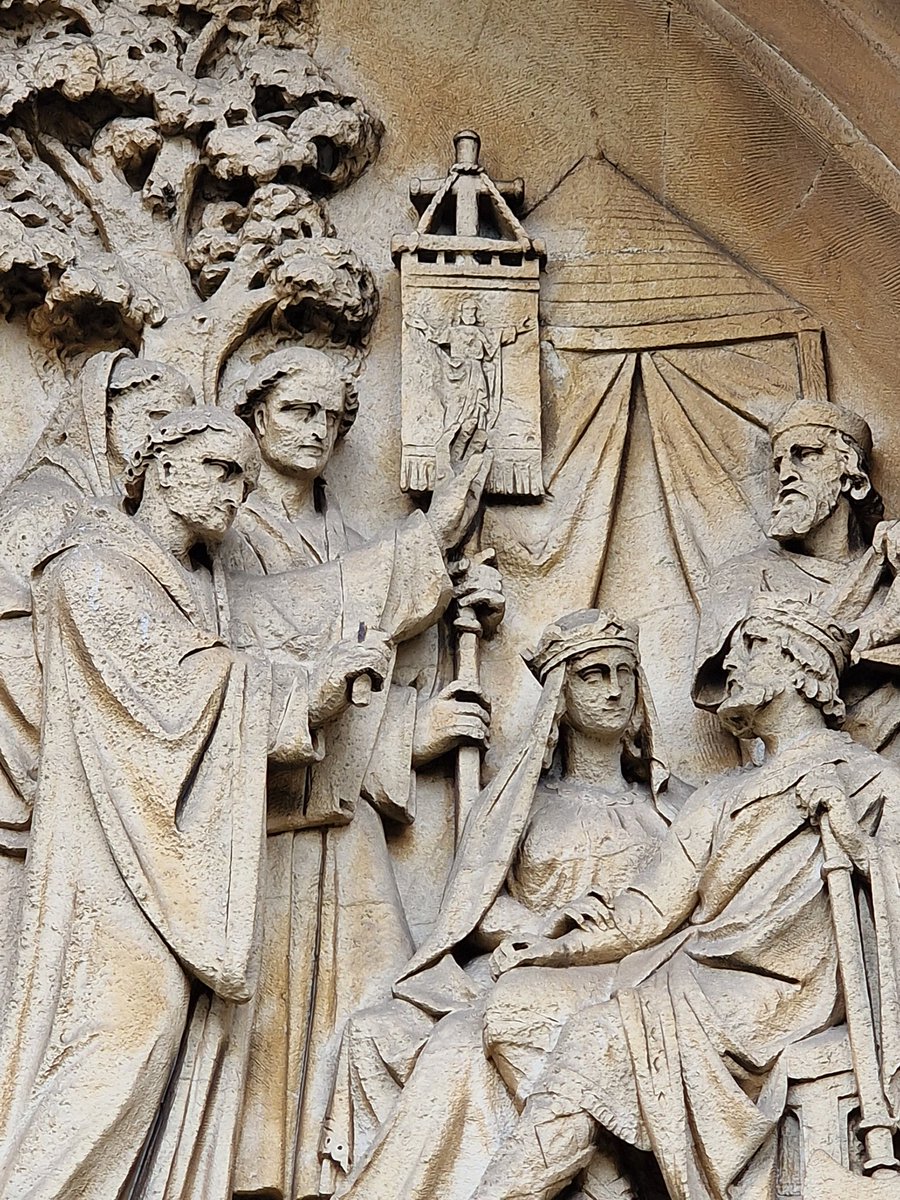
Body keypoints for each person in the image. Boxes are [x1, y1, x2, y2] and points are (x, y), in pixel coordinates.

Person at [0, 407, 391, 1200]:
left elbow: (218, 674)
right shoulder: (93, 570)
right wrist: (308, 686)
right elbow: (180, 689)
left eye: (244, 477)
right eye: (219, 468)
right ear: (161, 466)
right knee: (116, 1040)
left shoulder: (198, 588)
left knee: (154, 1043)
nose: (234, 492)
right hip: (107, 863)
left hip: (167, 856)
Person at [468, 594, 900, 1200]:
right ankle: (610, 1183)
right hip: (702, 968)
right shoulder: (724, 793)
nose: (731, 666)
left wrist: (856, 841)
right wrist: (551, 949)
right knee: (517, 1004)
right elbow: (649, 911)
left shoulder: (872, 781)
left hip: (784, 988)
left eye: (750, 648)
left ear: (801, 668)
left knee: (598, 1039)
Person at [221, 346, 502, 1199]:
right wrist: (427, 546)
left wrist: (452, 597)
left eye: (332, 418)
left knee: (375, 993)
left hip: (350, 823)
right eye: (296, 412)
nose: (315, 432)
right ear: (256, 416)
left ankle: (360, 1173)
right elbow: (253, 656)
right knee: (264, 1017)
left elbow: (382, 667)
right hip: (267, 818)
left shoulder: (348, 538)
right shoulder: (225, 538)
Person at [332, 610, 684, 1200]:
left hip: (628, 974)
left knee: (455, 1049)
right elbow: (477, 908)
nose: (615, 690)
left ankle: (596, 1176)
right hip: (526, 959)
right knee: (376, 1034)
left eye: (626, 673)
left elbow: (694, 906)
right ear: (560, 694)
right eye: (593, 675)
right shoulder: (521, 803)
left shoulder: (673, 808)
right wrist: (546, 918)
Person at [0, 352, 196, 984]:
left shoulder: (126, 518)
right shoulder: (45, 505)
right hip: (33, 771)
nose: (166, 433)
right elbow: (10, 638)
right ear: (105, 418)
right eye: (156, 416)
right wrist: (57, 745)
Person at [693, 397, 900, 751]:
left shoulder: (891, 571)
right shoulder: (744, 576)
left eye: (805, 454)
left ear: (852, 476)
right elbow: (761, 672)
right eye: (779, 464)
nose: (786, 474)